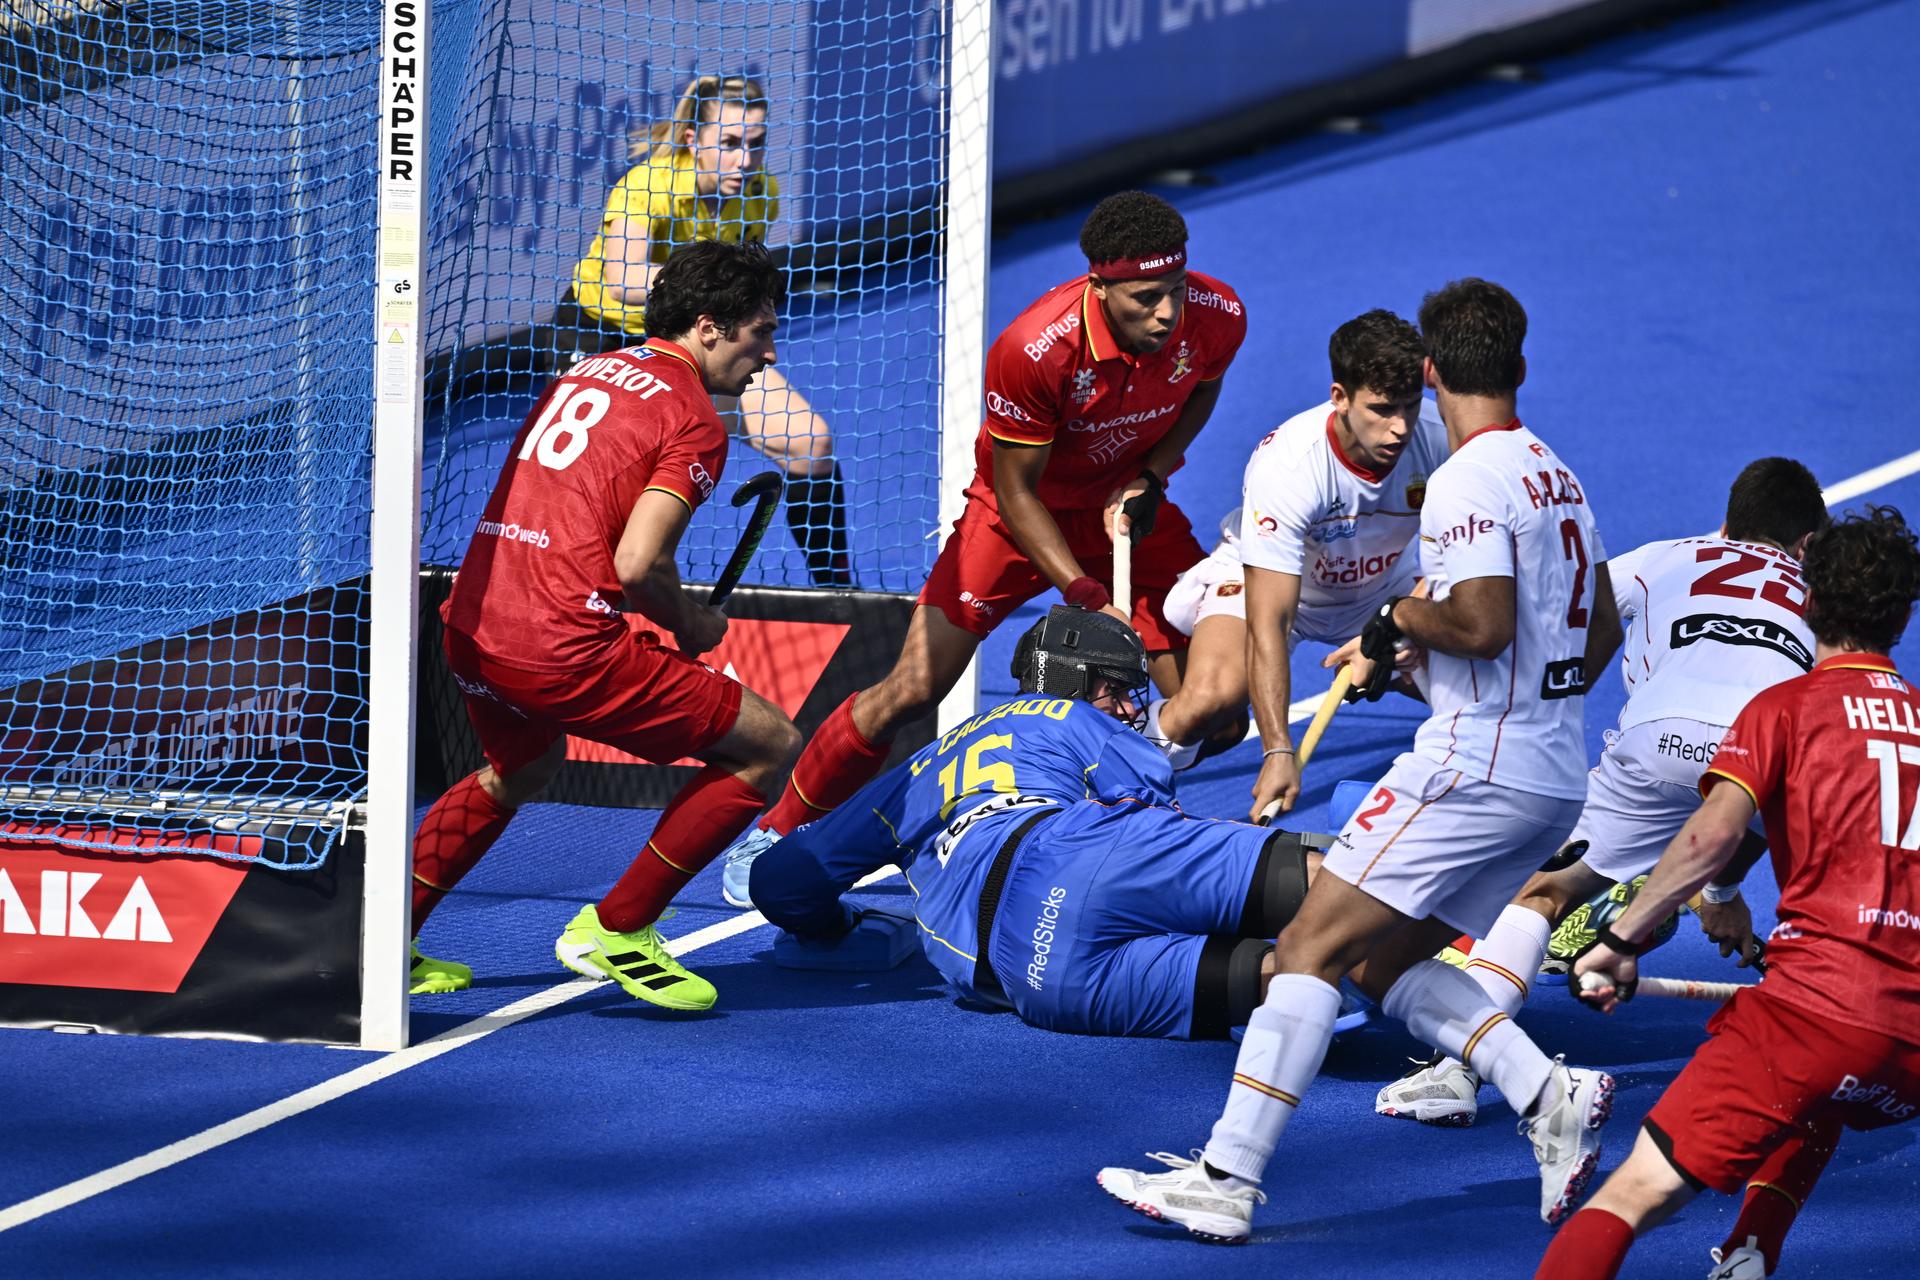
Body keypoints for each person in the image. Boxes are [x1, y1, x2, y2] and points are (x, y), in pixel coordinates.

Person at [1094, 278, 1622, 1242]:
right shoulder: (1558, 472)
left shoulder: (1464, 475)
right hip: (1551, 775)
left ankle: (1226, 1178)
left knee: (1306, 949)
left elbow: (1480, 621)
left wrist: (1399, 622)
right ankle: (1546, 1092)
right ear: (1521, 366)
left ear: (1431, 373)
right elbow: (1598, 634)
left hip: (1473, 768)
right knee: (1377, 963)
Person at [712, 190, 1248, 908]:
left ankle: (1111, 841)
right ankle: (777, 832)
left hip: (1122, 507)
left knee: (1216, 708)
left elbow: (1202, 387)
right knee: (913, 688)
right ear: (1099, 286)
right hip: (1017, 518)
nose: (1166, 314)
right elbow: (1017, 490)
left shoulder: (1214, 314)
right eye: (1146, 298)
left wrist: (1154, 473)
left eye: (1176, 291)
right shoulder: (1035, 351)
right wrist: (1085, 597)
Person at [405, 239, 803, 1013]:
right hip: (559, 646)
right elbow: (636, 565)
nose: (769, 351)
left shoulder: (587, 367)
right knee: (770, 745)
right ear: (708, 327)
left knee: (520, 766)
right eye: (759, 330)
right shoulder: (695, 420)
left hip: (472, 622)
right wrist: (691, 623)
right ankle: (619, 928)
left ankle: (382, 934)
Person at [1377, 457, 1828, 1127]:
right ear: (1808, 545)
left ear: (1727, 522)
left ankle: (1457, 1073)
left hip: (1655, 743)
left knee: (1540, 892)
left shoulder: (1665, 556)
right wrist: (1723, 895)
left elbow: (1557, 626)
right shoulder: (1823, 595)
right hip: (1767, 757)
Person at [1537, 506, 1920, 1280]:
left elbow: (1710, 838)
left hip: (1813, 1011)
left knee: (1629, 1196)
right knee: (1822, 1095)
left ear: (1807, 602)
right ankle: (1751, 1249)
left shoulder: (1784, 706)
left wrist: (1619, 940)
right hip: (1910, 1043)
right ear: (1904, 616)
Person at [747, 605, 1326, 1039]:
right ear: (1075, 682)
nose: (1128, 709)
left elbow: (779, 880)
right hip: (1075, 852)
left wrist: (834, 931)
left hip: (1028, 977)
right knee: (1344, 886)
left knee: (1273, 980)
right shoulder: (1076, 719)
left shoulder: (911, 777)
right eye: (1117, 690)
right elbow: (1145, 815)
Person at [425, 74, 854, 587]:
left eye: (756, 145)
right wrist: (709, 286)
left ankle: (840, 597)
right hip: (600, 338)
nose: (745, 160)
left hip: (687, 344)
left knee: (810, 440)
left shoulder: (760, 196)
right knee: (606, 491)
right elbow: (625, 279)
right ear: (694, 141)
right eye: (731, 144)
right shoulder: (647, 185)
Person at [1151, 310, 1448, 805]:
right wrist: (1277, 752)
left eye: (1410, 406)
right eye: (1381, 409)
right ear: (1340, 398)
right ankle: (1107, 769)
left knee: (1488, 690)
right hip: (1270, 586)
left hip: (1383, 593)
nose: (1399, 428)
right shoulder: (1289, 468)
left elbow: (1462, 555)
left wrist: (1388, 632)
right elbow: (1271, 620)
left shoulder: (1441, 438)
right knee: (1210, 701)